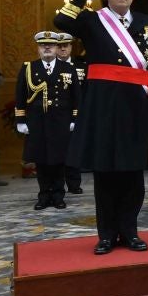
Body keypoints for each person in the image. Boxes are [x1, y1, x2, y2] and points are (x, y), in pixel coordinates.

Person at [55, 0, 148, 254]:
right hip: (102, 107)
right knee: (105, 174)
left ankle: (130, 231)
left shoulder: (147, 23)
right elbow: (61, 19)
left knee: (132, 175)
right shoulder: (91, 20)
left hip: (136, 107)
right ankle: (106, 235)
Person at [15, 30, 79, 210]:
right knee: (41, 160)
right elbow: (20, 95)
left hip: (61, 121)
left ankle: (58, 195)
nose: (47, 48)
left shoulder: (68, 68)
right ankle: (44, 195)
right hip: (37, 122)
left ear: (57, 48)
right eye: (44, 46)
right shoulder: (29, 68)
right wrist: (20, 120)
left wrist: (75, 118)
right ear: (38, 49)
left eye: (51, 45)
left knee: (59, 160)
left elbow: (76, 97)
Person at [55, 37, 85, 195]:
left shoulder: (81, 66)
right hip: (58, 114)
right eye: (59, 46)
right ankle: (58, 185)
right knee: (59, 150)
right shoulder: (51, 67)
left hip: (77, 112)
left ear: (71, 47)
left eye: (65, 46)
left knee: (74, 149)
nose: (62, 49)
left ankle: (74, 183)